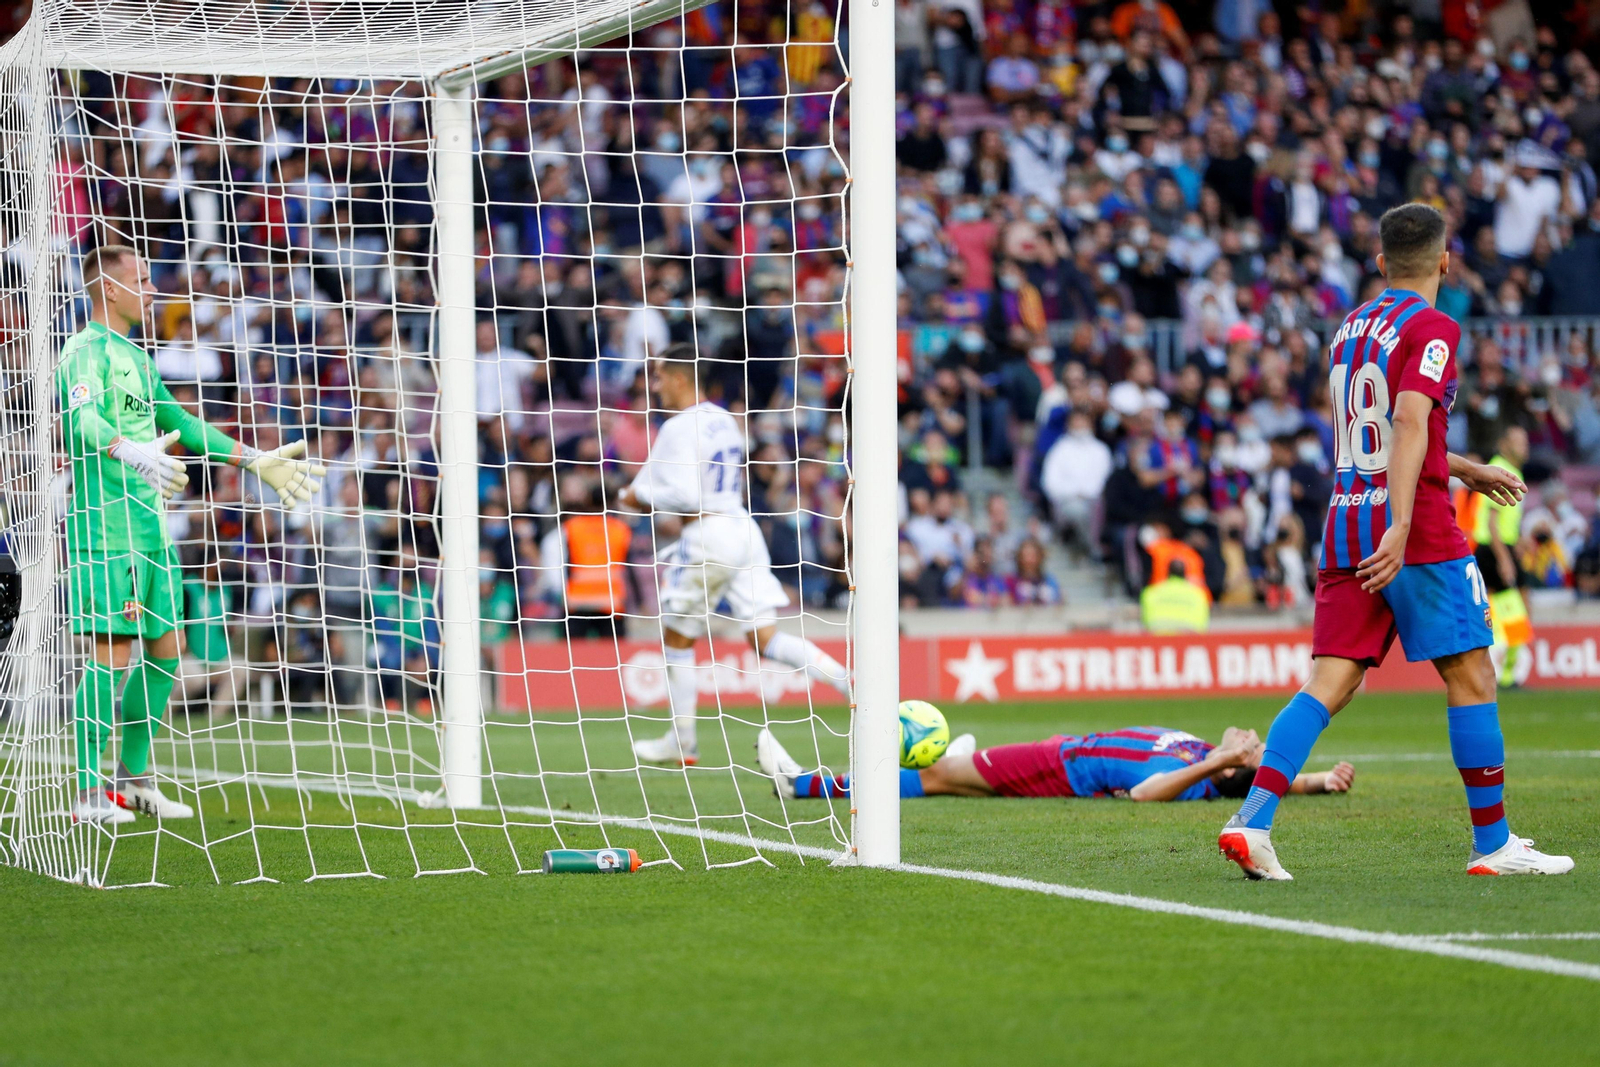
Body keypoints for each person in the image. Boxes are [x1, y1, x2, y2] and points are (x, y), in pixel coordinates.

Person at [1217, 205, 1573, 881]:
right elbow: (1408, 420)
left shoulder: (1352, 327)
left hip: (1346, 520)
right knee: (1471, 673)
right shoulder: (1435, 326)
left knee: (1328, 680)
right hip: (1411, 528)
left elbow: (1373, 429)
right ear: (1445, 262)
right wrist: (1405, 523)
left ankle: (1253, 820)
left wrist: (1468, 467)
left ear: (1381, 264)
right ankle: (1493, 843)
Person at [60, 244, 324, 825]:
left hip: (152, 530)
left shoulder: (137, 356)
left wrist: (253, 460)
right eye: (144, 280)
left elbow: (179, 424)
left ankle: (132, 782)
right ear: (109, 287)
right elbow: (80, 420)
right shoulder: (84, 351)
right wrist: (127, 450)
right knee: (110, 656)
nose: (154, 290)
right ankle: (84, 793)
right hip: (105, 530)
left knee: (166, 653)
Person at [618, 345, 851, 765]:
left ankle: (682, 741)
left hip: (708, 534)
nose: (655, 387)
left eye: (659, 377)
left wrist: (639, 495)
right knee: (764, 637)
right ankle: (848, 683)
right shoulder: (723, 420)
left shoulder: (677, 426)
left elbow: (685, 494)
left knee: (676, 637)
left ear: (678, 377)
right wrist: (635, 489)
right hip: (743, 529)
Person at [759, 724, 1354, 803]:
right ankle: (968, 769)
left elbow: (1146, 796)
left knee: (936, 776)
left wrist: (1223, 757)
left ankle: (803, 785)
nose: (1249, 738)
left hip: (1058, 768)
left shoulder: (1196, 776)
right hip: (1061, 752)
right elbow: (1267, 776)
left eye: (1248, 749)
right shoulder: (1200, 751)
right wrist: (1319, 781)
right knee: (951, 779)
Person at [1472, 426, 1533, 687]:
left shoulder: (1510, 469)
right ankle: (1504, 675)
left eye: (1525, 441)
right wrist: (1505, 558)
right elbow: (1492, 521)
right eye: (1518, 442)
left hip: (1500, 548)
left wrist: (1518, 542)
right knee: (1514, 615)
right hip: (1493, 550)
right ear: (1504, 444)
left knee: (1504, 613)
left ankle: (1502, 674)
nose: (1524, 447)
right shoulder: (1500, 469)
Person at [1140, 557, 1209, 634]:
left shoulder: (1151, 592)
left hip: (1158, 638)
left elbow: (1146, 621)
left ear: (1167, 572)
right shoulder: (1198, 594)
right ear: (1185, 573)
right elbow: (1202, 625)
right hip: (1187, 639)